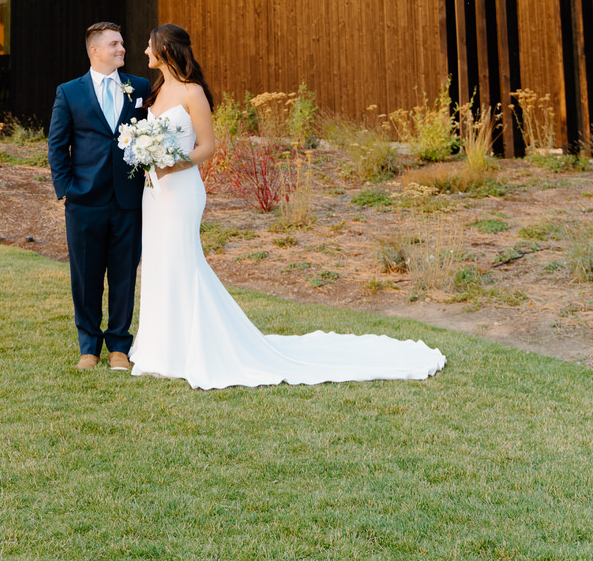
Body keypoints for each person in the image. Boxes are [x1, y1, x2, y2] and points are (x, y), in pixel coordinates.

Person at [129, 23, 447, 390]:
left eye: (149, 45)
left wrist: (175, 162)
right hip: (154, 194)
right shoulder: (157, 90)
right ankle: (161, 347)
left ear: (165, 48)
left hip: (182, 190)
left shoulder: (192, 92)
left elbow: (207, 146)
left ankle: (196, 347)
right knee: (158, 262)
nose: (144, 51)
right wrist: (148, 154)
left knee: (183, 261)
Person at [48, 22, 148, 371]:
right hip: (84, 201)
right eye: (115, 44)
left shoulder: (139, 87)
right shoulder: (69, 92)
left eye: (122, 44)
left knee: (124, 273)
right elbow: (57, 145)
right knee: (86, 276)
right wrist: (66, 191)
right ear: (95, 50)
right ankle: (88, 348)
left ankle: (119, 346)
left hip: (128, 200)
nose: (122, 49)